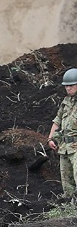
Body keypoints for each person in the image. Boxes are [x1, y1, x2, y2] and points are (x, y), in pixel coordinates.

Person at [47, 68, 77, 200]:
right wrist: (50, 138)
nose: (68, 88)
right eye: (66, 86)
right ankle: (70, 206)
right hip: (64, 147)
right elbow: (57, 121)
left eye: (72, 85)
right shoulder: (66, 102)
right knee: (67, 184)